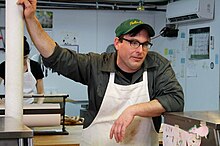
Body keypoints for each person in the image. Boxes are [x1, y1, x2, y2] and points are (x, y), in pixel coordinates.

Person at [17, 0, 184, 145]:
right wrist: (31, 19)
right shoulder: (96, 65)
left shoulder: (157, 65)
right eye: (133, 42)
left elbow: (175, 99)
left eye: (145, 44)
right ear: (117, 43)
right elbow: (56, 56)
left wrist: (134, 110)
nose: (140, 50)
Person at [0, 36, 45, 104]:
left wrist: (38, 107)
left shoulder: (35, 67)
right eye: (20, 58)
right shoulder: (5, 66)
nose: (23, 60)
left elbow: (41, 93)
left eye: (25, 57)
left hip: (29, 105)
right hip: (9, 107)